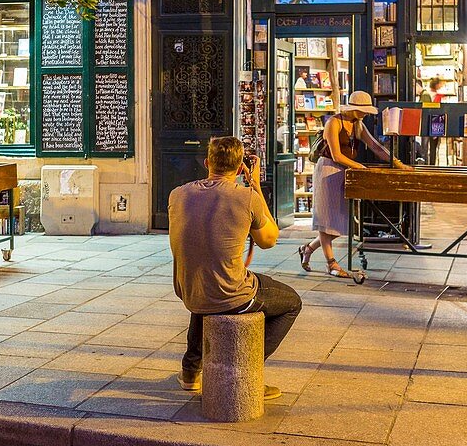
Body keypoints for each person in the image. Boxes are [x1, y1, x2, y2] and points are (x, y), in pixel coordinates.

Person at [169, 136, 302, 400]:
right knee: (291, 302)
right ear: (241, 167)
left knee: (209, 285)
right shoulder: (245, 197)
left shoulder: (178, 194)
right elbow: (268, 240)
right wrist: (255, 186)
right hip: (230, 295)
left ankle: (190, 371)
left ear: (207, 162)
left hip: (188, 291)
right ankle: (243, 371)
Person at [299, 90, 410, 278]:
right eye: (363, 110)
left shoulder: (357, 124)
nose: (366, 114)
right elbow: (335, 155)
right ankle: (331, 264)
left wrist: (398, 164)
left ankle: (308, 249)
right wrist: (359, 166)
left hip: (345, 171)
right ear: (353, 108)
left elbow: (375, 146)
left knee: (340, 222)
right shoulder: (333, 122)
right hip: (328, 170)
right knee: (327, 220)